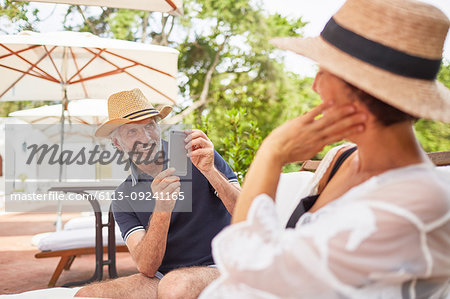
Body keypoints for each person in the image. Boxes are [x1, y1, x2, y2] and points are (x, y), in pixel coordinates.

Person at [200, 0, 450, 298]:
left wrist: (272, 152)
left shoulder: (416, 203)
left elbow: (247, 264)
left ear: (359, 90)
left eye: (324, 71)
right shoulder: (341, 159)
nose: (314, 85)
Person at [75, 88, 241, 298]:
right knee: (86, 295)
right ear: (118, 143)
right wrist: (162, 208)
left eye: (149, 126)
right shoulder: (123, 197)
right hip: (163, 277)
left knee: (175, 285)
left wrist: (211, 172)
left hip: (222, 264)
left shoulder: (198, 155)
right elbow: (147, 267)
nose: (145, 137)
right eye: (132, 132)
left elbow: (245, 212)